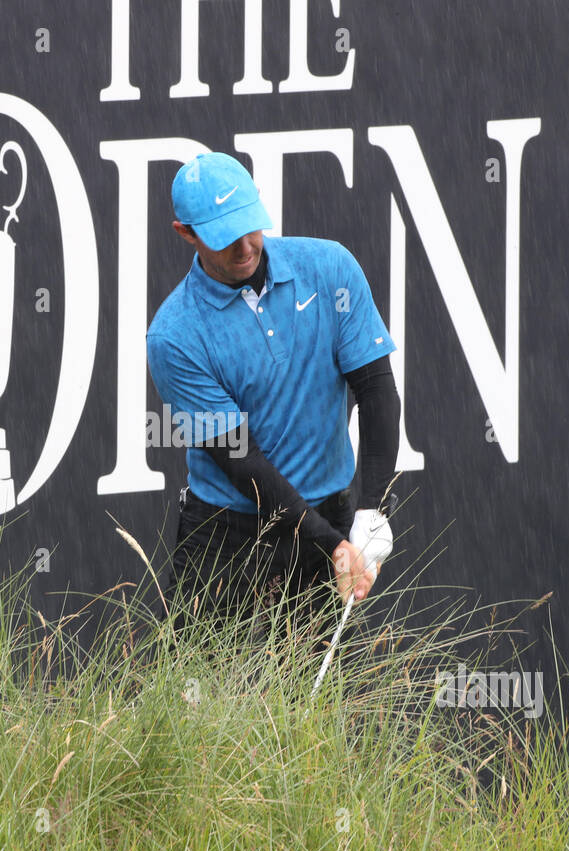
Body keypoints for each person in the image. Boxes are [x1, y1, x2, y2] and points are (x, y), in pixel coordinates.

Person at [146, 151, 402, 644]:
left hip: (330, 514)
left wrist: (369, 511)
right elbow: (241, 460)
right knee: (202, 708)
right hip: (227, 535)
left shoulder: (330, 268)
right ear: (186, 233)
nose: (245, 246)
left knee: (326, 708)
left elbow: (376, 388)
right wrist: (334, 547)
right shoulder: (174, 336)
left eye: (250, 224)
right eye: (225, 236)